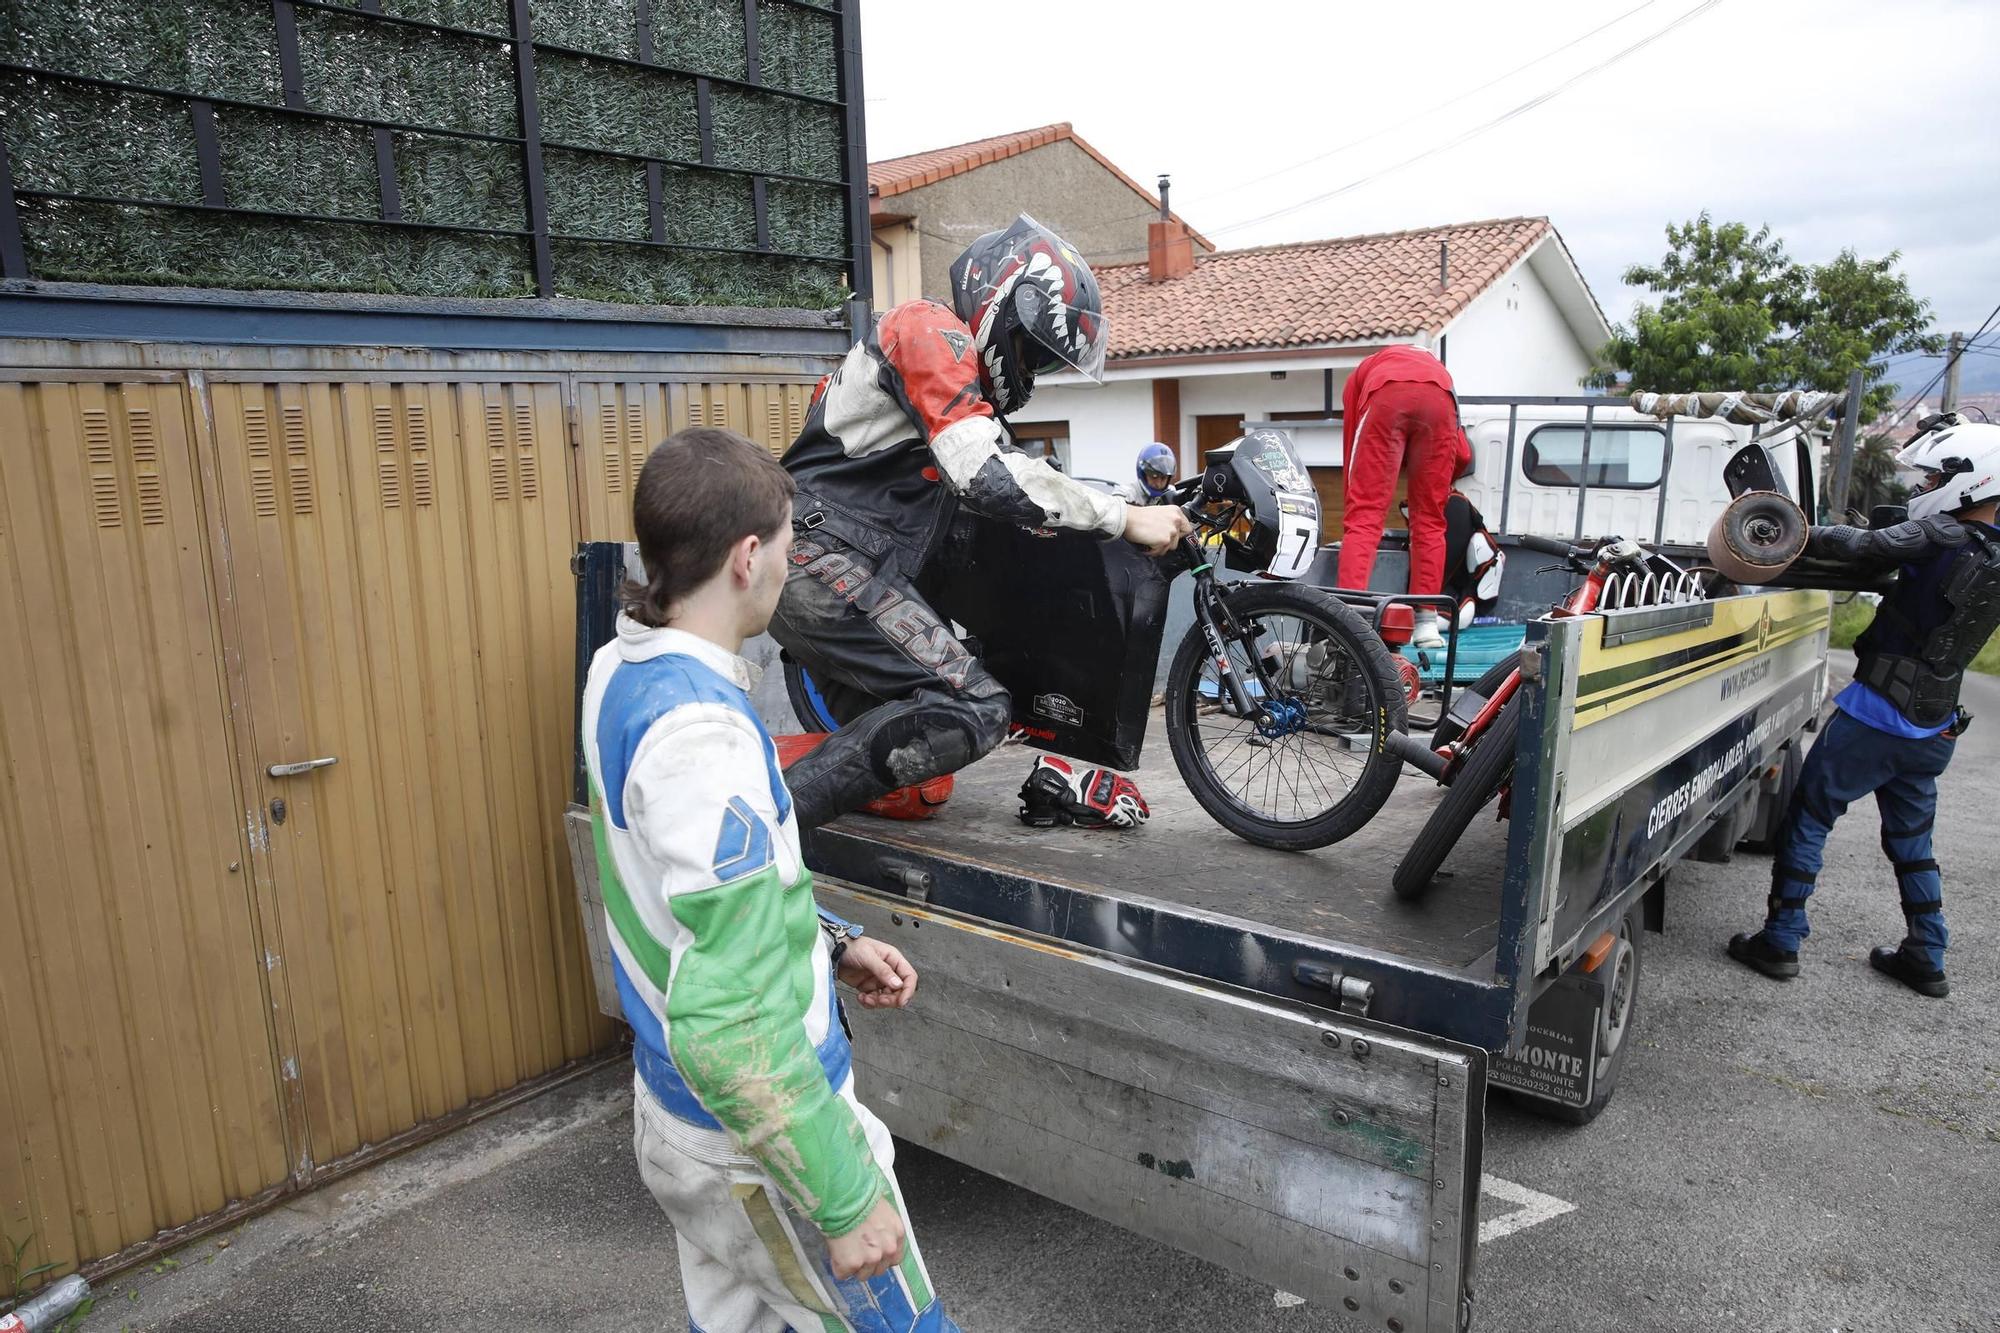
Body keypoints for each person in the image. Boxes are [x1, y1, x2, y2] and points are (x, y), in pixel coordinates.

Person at [582, 426, 959, 1332]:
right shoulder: (700, 738)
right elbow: (728, 1019)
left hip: (685, 1121)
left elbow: (698, 900)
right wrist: (840, 1192)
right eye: (792, 549)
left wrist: (826, 941)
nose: (796, 569)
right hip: (762, 1145)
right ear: (748, 558)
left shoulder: (620, 669)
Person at [771, 214, 1192, 829]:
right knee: (977, 706)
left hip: (837, 559)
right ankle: (768, 825)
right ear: (1005, 304)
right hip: (821, 557)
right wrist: (1123, 516)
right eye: (1032, 352)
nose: (1030, 374)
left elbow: (1002, 480)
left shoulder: (948, 373)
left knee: (926, 777)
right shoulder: (927, 328)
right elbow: (988, 477)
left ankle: (758, 781)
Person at [1727, 413, 2000, 999]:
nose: (1922, 490)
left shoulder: (1942, 537)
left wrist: (1790, 527)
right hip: (1935, 726)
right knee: (1912, 841)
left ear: (1969, 481)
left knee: (1809, 816)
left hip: (1877, 714)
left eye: (1932, 479)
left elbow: (1868, 544)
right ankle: (1927, 954)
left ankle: (1780, 939)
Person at [1335, 345, 1474, 648]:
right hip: (1440, 402)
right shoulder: (1439, 375)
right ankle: (1426, 623)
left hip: (1385, 395)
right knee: (1430, 521)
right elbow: (1462, 454)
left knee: (1364, 518)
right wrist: (1434, 486)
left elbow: (1352, 449)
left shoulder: (1363, 374)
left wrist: (1355, 502)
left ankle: (1349, 616)